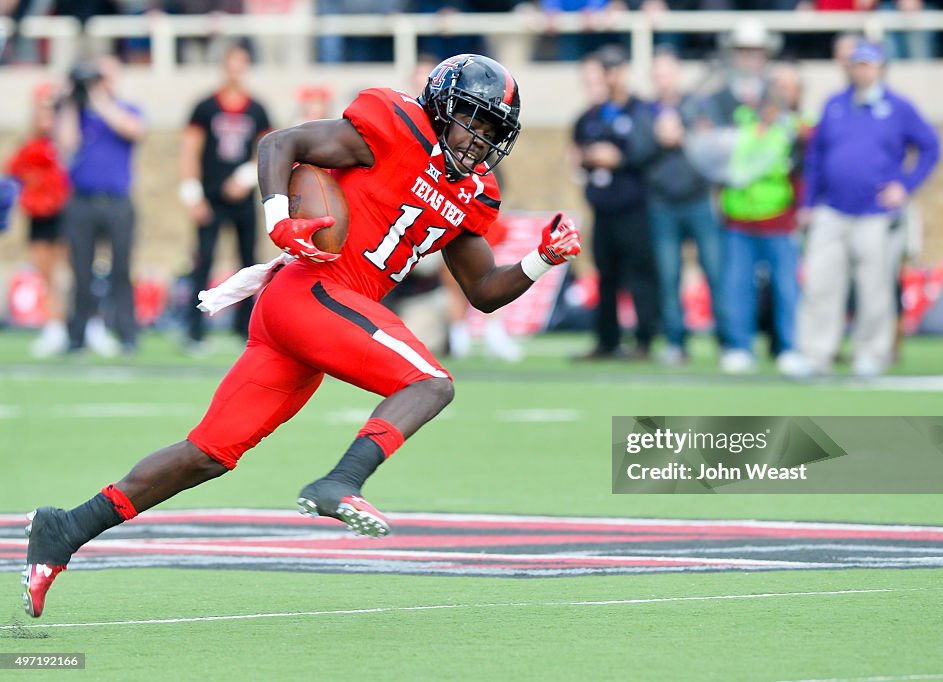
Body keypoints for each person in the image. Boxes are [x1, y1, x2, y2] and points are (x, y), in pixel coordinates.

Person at [22, 54, 581, 619]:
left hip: (311, 314)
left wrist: (541, 258)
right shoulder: (395, 126)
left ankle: (65, 529)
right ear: (441, 107)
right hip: (313, 289)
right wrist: (277, 217)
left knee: (207, 454)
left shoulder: (474, 192)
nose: (477, 140)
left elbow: (483, 290)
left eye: (490, 131)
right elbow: (278, 145)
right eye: (471, 119)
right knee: (431, 382)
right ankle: (340, 481)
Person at [794, 41, 940, 378]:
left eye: (868, 63)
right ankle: (816, 354)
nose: (861, 69)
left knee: (873, 287)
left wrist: (905, 186)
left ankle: (870, 354)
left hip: (875, 212)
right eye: (856, 63)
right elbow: (815, 159)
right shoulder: (834, 104)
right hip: (831, 209)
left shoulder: (898, 107)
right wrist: (807, 203)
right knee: (820, 284)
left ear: (880, 67)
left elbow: (931, 148)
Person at [633, 45, 723, 365]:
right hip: (662, 205)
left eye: (668, 73)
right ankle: (675, 342)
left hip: (699, 201)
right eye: (657, 74)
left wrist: (685, 136)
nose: (663, 80)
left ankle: (728, 343)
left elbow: (714, 150)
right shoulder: (645, 112)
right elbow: (636, 155)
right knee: (668, 278)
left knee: (716, 273)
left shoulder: (698, 108)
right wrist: (658, 138)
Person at [716, 64, 808, 375]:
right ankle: (740, 347)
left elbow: (801, 174)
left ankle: (788, 347)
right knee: (737, 287)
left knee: (786, 288)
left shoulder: (796, 129)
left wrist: (799, 211)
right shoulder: (740, 122)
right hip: (739, 218)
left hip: (778, 219)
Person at [180, 44, 272, 353]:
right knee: (203, 259)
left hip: (241, 197)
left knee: (249, 262)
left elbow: (267, 149)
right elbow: (190, 149)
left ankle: (244, 328)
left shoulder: (257, 108)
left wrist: (245, 177)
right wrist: (192, 193)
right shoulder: (205, 106)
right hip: (211, 195)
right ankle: (194, 329)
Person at [572, 44, 658, 360]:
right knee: (606, 274)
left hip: (633, 207)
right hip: (603, 208)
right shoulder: (591, 115)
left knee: (639, 275)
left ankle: (645, 339)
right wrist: (588, 158)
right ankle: (607, 340)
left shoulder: (640, 110)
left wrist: (618, 159)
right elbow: (578, 153)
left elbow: (647, 151)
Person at [56, 55, 145, 357]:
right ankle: (76, 336)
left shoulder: (125, 108)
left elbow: (132, 129)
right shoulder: (77, 113)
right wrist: (70, 100)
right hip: (81, 200)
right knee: (80, 271)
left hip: (117, 200)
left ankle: (126, 333)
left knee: (121, 269)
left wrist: (100, 99)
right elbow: (66, 143)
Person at [5, 82, 73, 358]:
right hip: (40, 215)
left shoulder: (66, 141)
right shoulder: (29, 145)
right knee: (44, 272)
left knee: (73, 270)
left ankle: (84, 324)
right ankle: (54, 326)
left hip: (63, 212)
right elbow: (12, 172)